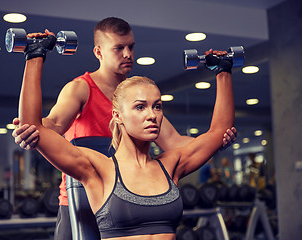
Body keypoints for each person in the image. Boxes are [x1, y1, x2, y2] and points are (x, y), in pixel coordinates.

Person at [12, 17, 237, 240]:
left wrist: (215, 140)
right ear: (99, 52)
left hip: (136, 183)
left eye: (131, 47)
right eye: (119, 48)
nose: (128, 54)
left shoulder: (141, 100)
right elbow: (53, 124)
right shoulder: (81, 88)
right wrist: (31, 130)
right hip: (83, 193)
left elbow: (176, 143)